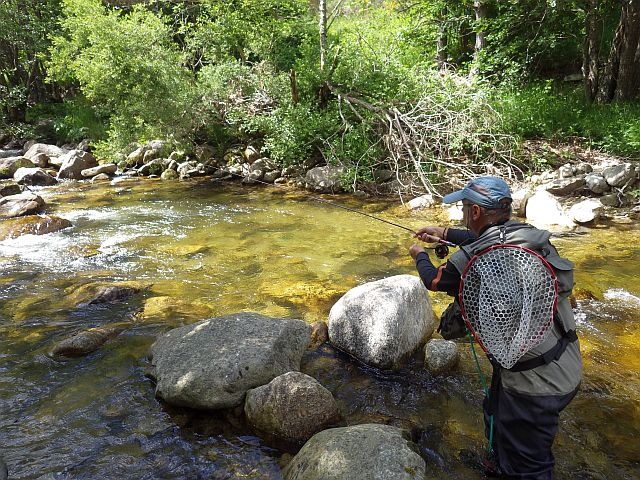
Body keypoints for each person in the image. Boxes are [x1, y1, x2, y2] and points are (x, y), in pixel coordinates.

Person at [409, 176, 582, 479]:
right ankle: (500, 466)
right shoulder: (532, 237)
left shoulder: (477, 255)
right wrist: (445, 233)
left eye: (464, 208)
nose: (462, 213)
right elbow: (494, 237)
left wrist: (419, 255)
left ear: (475, 212)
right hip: (563, 359)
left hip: (535, 386)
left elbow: (434, 280)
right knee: (497, 416)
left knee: (530, 468)